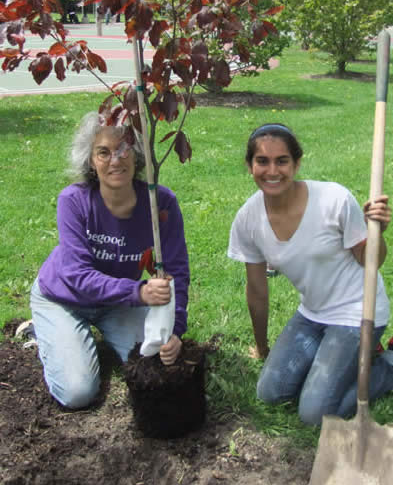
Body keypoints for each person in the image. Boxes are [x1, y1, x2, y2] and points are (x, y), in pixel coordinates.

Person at [228, 123, 393, 426]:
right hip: (313, 314)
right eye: (262, 161)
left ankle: (387, 365)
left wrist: (377, 232)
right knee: (270, 393)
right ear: (250, 165)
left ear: (297, 163)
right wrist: (262, 347)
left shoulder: (334, 200)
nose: (272, 170)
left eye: (282, 161)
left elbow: (372, 262)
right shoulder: (248, 219)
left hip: (357, 312)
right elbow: (256, 290)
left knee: (314, 414)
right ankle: (341, 364)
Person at [30, 112, 189, 410]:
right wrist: (138, 293)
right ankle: (47, 328)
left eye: (124, 148)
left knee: (157, 357)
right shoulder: (73, 201)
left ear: (137, 153)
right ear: (90, 160)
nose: (115, 160)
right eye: (103, 152)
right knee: (78, 393)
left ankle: (94, 332)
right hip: (63, 297)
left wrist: (175, 329)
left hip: (117, 302)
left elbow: (176, 270)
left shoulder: (160, 203)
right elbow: (77, 275)